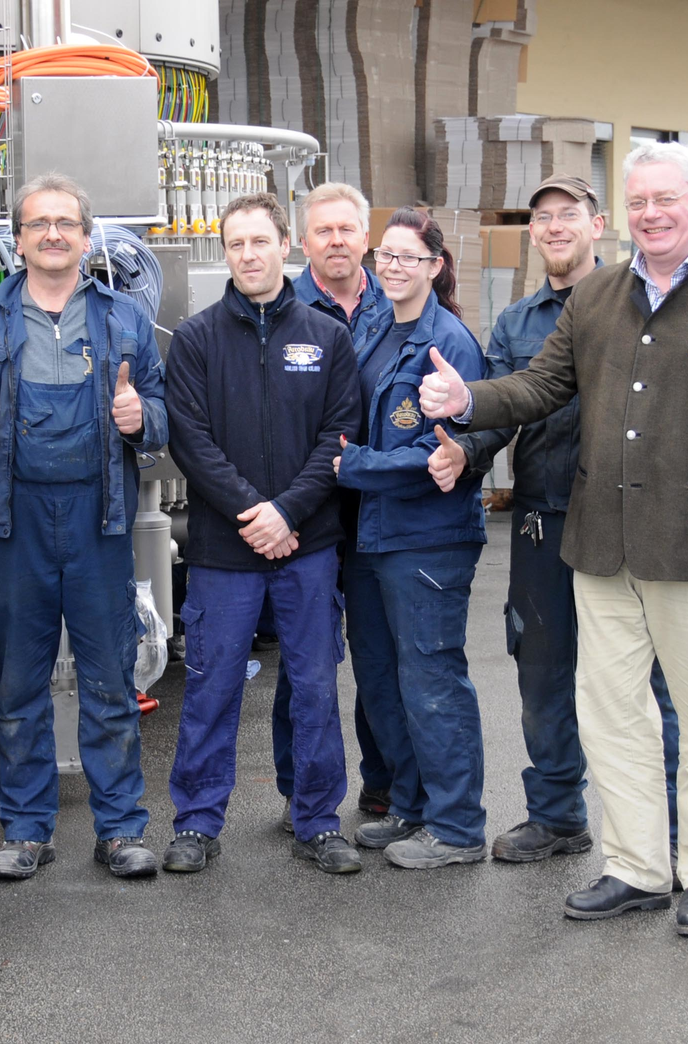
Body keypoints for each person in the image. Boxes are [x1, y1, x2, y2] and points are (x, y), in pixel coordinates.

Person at [421, 142, 688, 937]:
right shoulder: (596, 296)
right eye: (639, 202)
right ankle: (636, 866)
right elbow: (541, 386)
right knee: (612, 716)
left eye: (666, 199)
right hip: (600, 546)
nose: (652, 214)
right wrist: (469, 397)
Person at [437, 176, 682, 871]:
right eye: (542, 218)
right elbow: (504, 408)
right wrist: (465, 449)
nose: (553, 227)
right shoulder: (518, 323)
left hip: (629, 523)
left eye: (567, 214)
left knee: (648, 684)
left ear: (596, 225)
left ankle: (667, 833)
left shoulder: (638, 306)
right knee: (543, 676)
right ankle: (557, 816)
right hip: (545, 522)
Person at [0, 175, 168, 882]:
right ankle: (25, 830)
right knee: (20, 681)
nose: (52, 234)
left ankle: (118, 829)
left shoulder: (125, 320)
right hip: (14, 517)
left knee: (109, 677)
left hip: (99, 516)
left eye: (66, 223)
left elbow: (163, 404)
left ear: (87, 237)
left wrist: (143, 419)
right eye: (38, 223)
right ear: (17, 239)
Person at [162, 191, 363, 875]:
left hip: (307, 547)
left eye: (260, 241)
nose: (248, 255)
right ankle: (196, 822)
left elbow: (339, 438)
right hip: (224, 550)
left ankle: (315, 818)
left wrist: (288, 514)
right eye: (236, 244)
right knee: (214, 686)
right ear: (226, 253)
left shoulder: (327, 336)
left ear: (287, 246)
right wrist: (255, 513)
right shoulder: (194, 340)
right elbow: (191, 441)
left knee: (312, 686)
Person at [333, 207, 490, 870]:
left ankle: (456, 827)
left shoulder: (447, 342)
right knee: (381, 676)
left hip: (426, 537)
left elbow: (439, 452)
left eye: (409, 257)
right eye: (386, 256)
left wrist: (354, 466)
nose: (394, 267)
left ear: (435, 266)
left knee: (431, 676)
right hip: (371, 533)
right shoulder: (372, 326)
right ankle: (411, 804)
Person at [267, 182, 394, 822]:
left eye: (347, 229)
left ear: (364, 237)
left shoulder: (397, 304)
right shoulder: (279, 306)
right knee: (303, 658)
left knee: (376, 652)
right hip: (307, 510)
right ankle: (300, 787)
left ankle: (383, 783)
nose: (337, 241)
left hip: (377, 506)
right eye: (323, 231)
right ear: (303, 240)